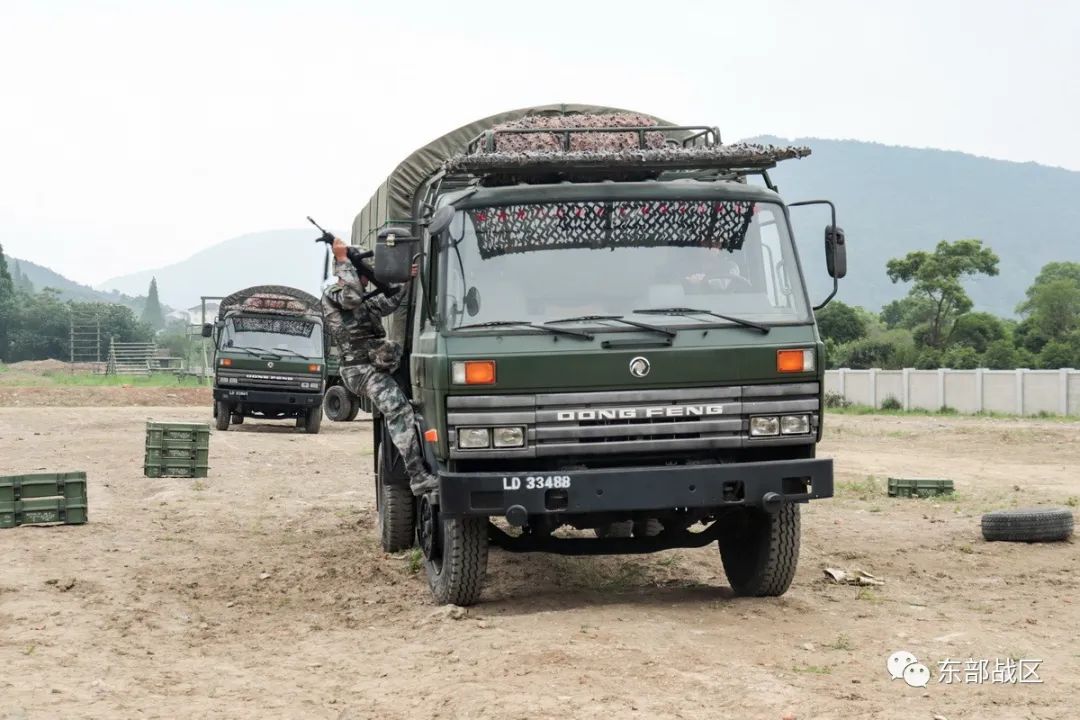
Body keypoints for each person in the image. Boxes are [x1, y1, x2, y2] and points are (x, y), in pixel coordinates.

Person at [321, 237, 438, 496]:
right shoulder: (335, 294)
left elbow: (389, 302)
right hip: (361, 370)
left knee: (408, 405)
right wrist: (343, 260)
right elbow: (351, 298)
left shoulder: (363, 298)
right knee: (398, 411)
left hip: (373, 364)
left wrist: (405, 279)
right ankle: (418, 477)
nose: (366, 279)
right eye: (364, 273)